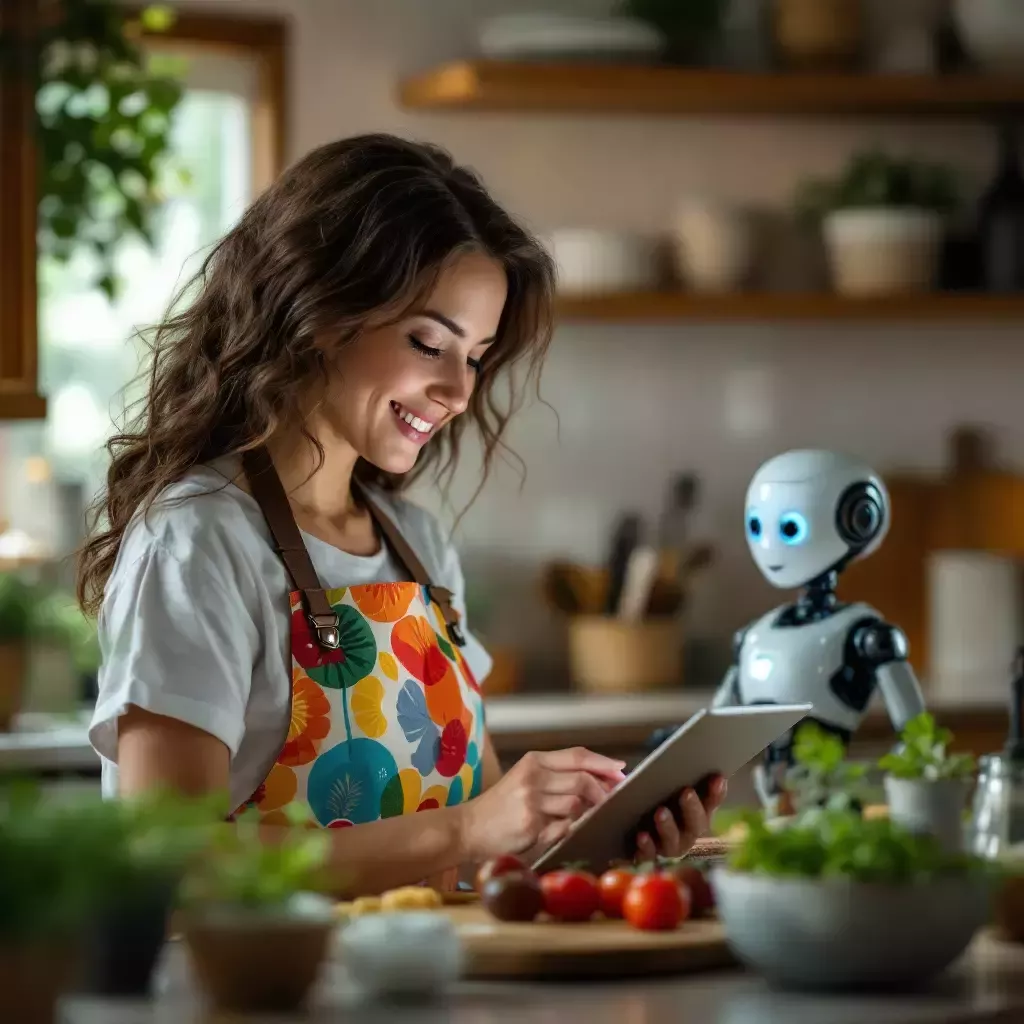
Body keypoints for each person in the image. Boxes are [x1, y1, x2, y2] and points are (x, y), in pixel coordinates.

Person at [80, 134, 725, 896]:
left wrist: (593, 842)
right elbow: (169, 866)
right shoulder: (196, 541)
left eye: (477, 357)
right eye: (430, 343)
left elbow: (478, 853)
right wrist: (471, 828)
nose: (459, 392)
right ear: (319, 314)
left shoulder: (416, 548)